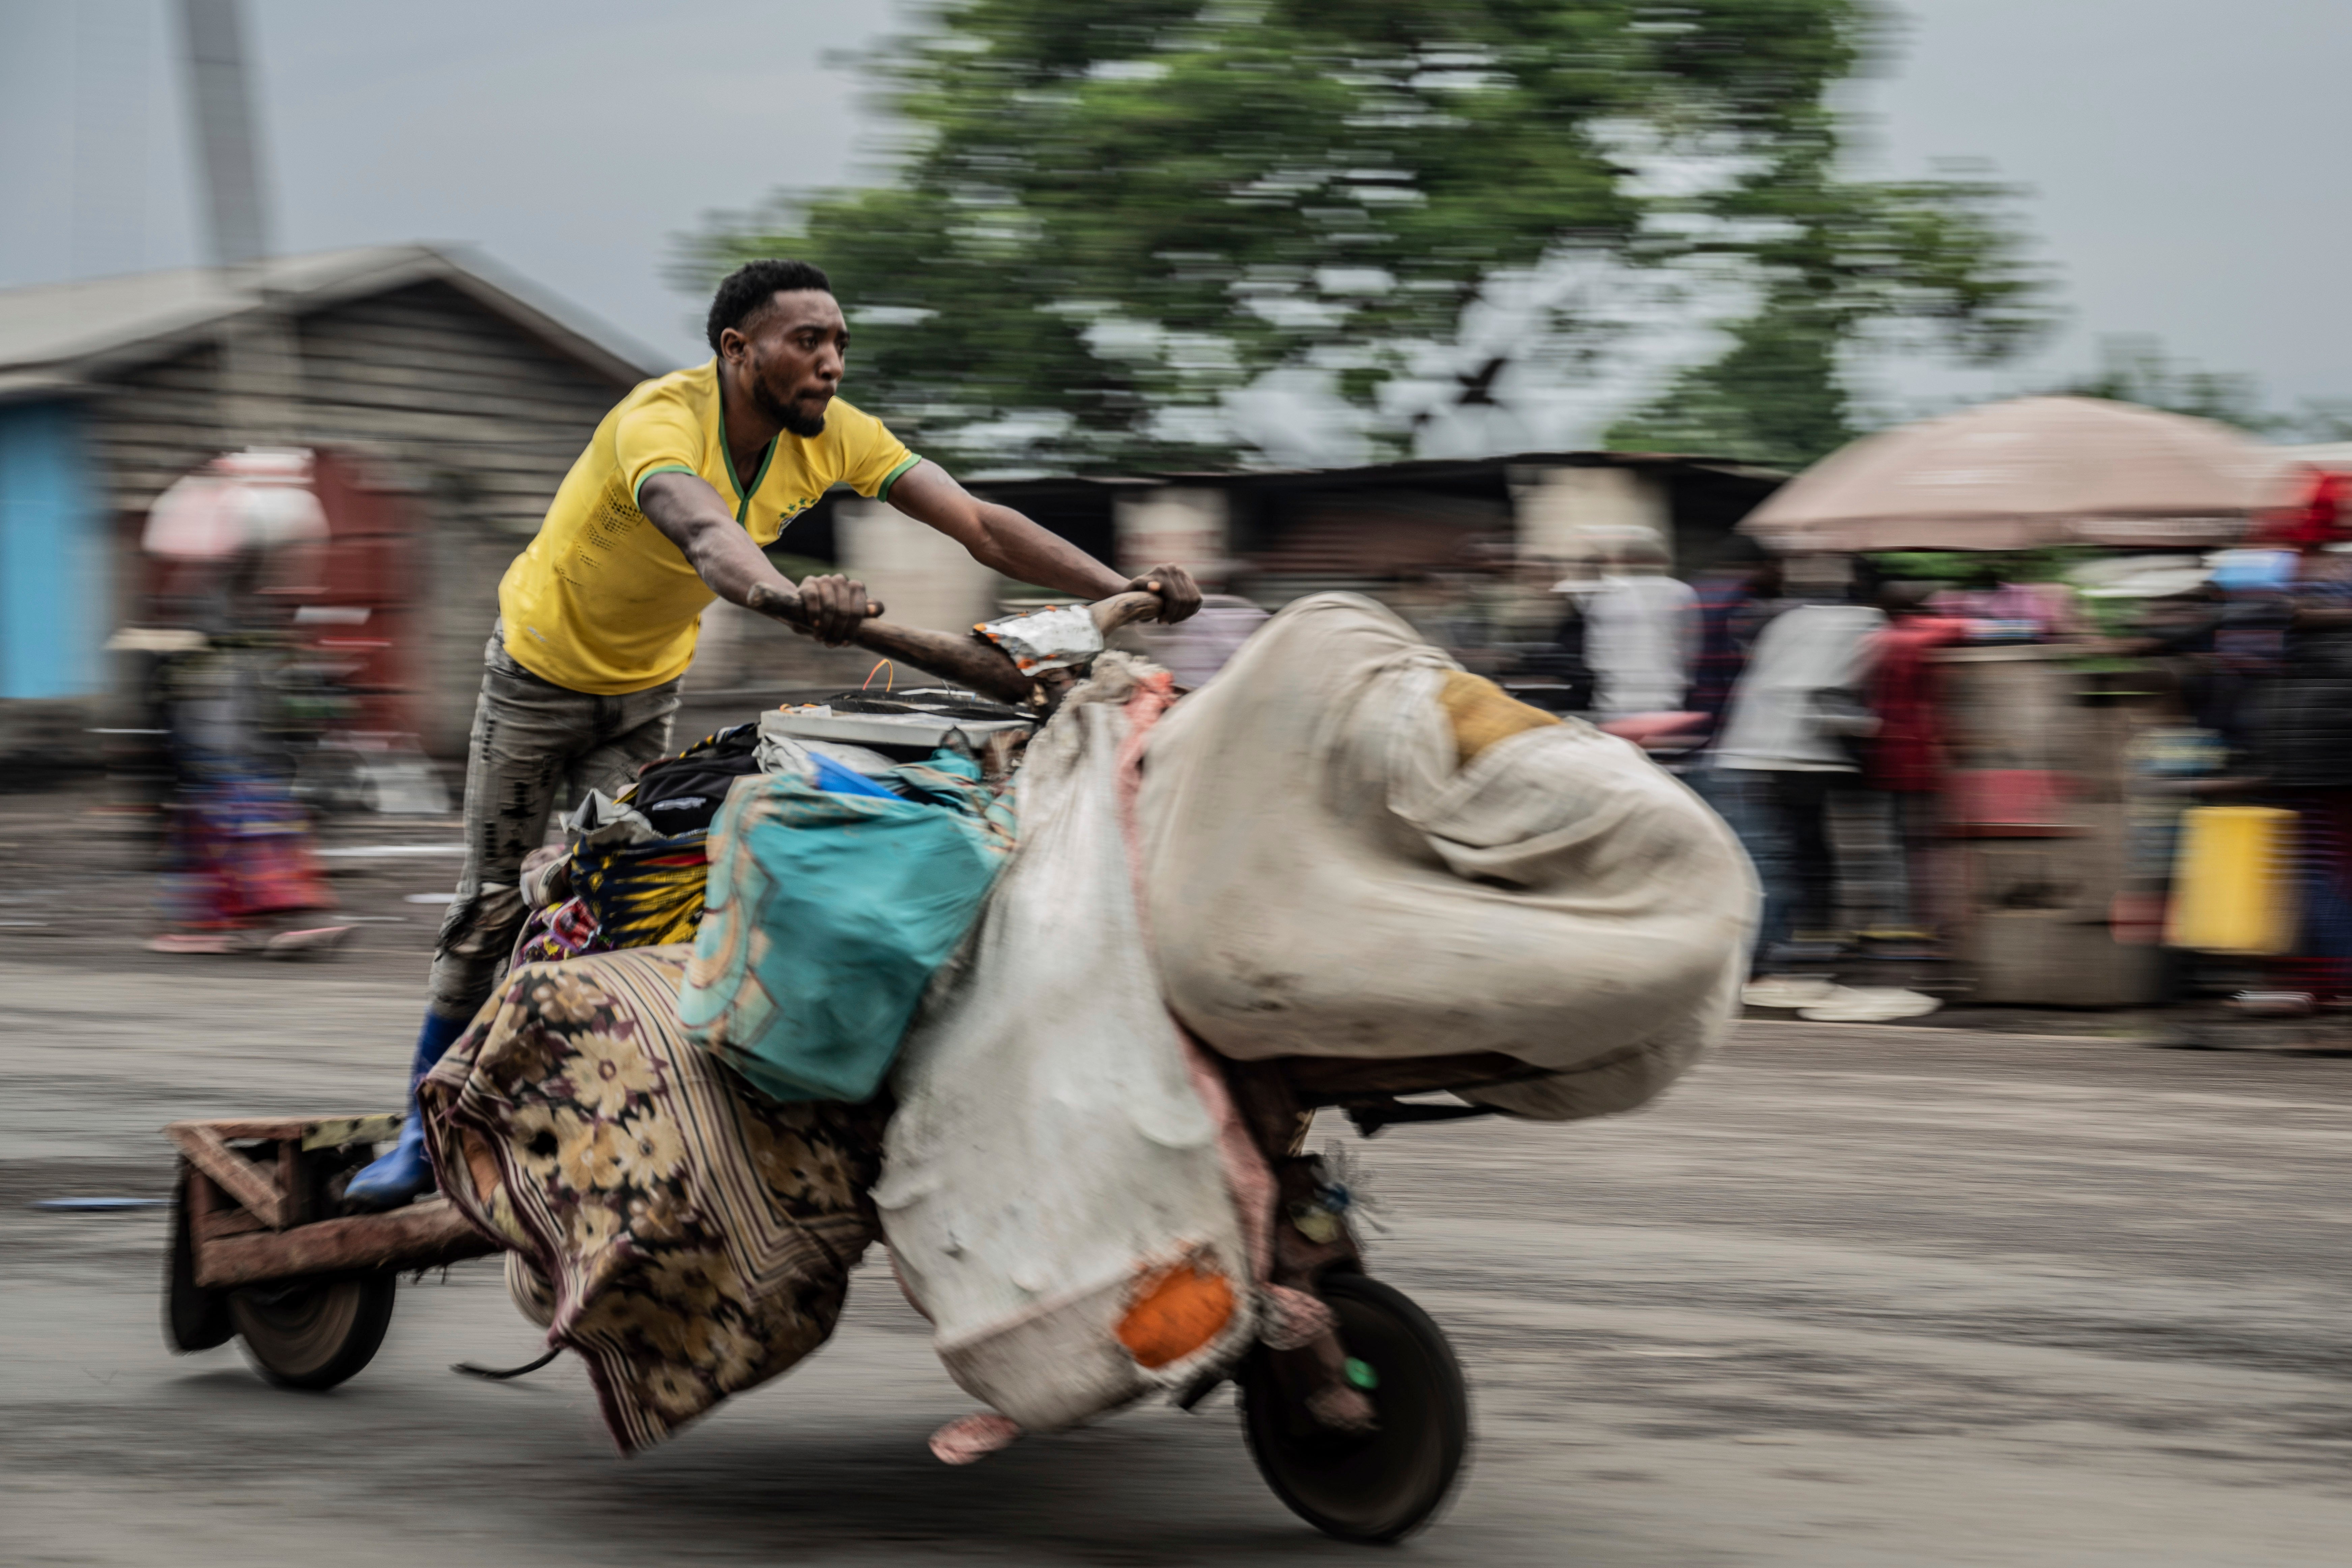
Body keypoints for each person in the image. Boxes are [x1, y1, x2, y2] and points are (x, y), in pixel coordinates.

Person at [344, 258, 1200, 1208]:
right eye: (808, 342)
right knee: (491, 906)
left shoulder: (833, 437)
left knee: (631, 891)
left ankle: (589, 1109)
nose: (831, 363)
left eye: (839, 343)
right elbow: (705, 531)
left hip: (643, 690)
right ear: (737, 350)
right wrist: (788, 596)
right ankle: (423, 1132)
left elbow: (982, 526)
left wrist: (1124, 588)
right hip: (536, 679)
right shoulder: (659, 422)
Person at [1709, 556, 1884, 987]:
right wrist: (1875, 727)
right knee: (1793, 857)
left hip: (1749, 749)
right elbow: (1824, 694)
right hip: (1801, 755)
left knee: (1785, 853)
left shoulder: (1788, 620)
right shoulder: (1865, 621)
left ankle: (1787, 945)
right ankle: (1773, 954)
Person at [1582, 535, 1696, 718]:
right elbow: (1691, 647)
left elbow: (1595, 653)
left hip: (1616, 696)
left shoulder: (1606, 595)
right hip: (1664, 693)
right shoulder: (1681, 593)